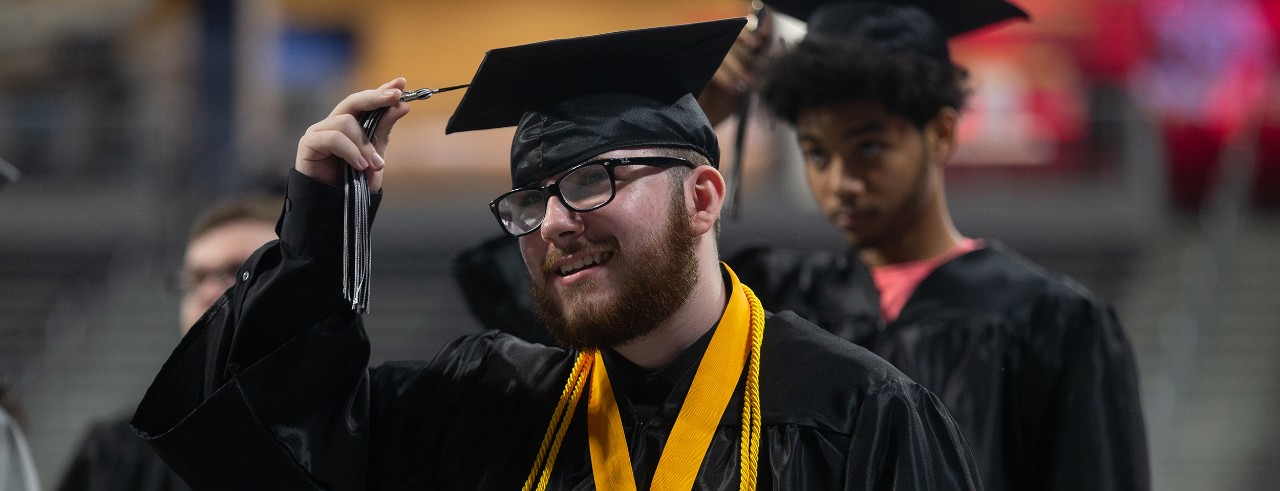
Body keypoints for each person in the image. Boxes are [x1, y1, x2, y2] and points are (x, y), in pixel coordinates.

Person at [132, 19, 982, 489]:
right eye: (530, 199)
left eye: (594, 179)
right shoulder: (486, 404)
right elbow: (278, 447)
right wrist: (322, 222)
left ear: (703, 197)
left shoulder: (858, 416)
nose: (554, 223)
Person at [730, 2, 1149, 490]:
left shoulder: (1052, 322)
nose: (839, 181)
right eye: (817, 153)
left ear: (942, 134)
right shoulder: (772, 299)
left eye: (869, 148)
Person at [57, 195, 279, 491]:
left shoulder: (342, 441)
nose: (209, 292)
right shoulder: (114, 456)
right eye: (196, 278)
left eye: (240, 272)